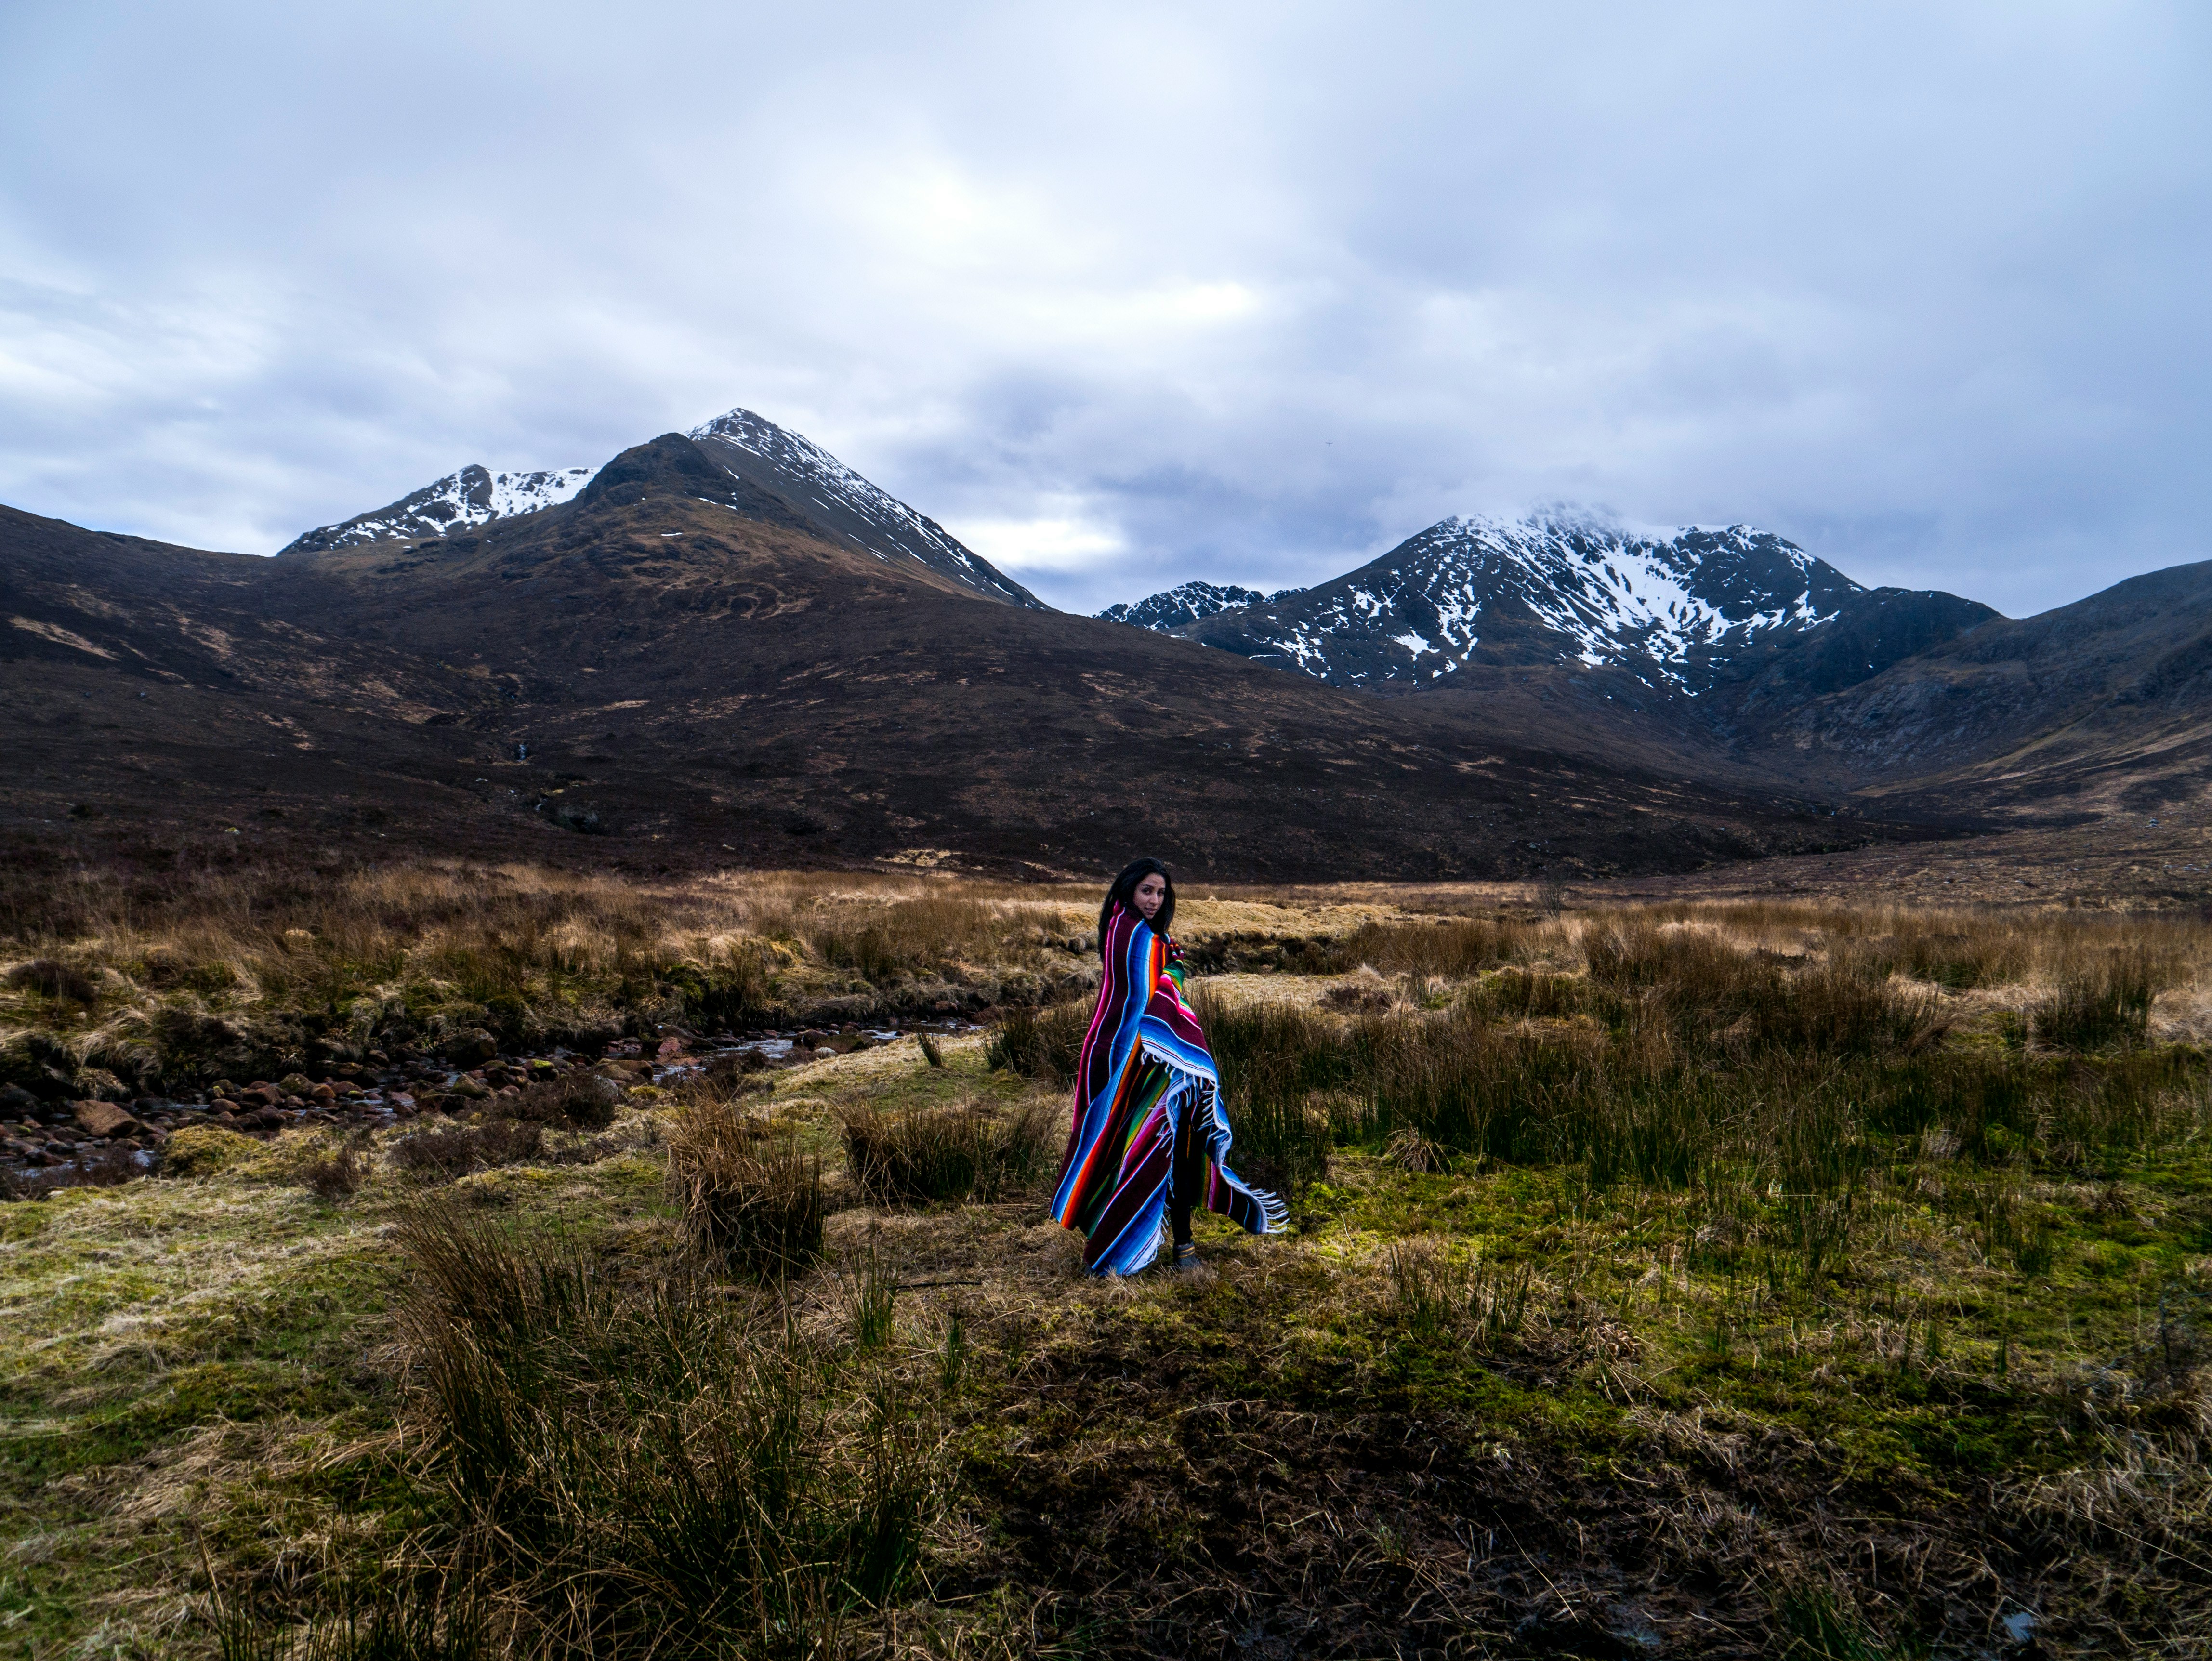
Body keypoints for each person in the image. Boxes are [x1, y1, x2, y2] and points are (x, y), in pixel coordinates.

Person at [1050, 857, 1285, 1276]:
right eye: (1147, 891)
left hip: (1157, 1058)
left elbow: (1161, 989)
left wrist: (1171, 970)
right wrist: (1174, 968)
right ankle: (1127, 1244)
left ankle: (1181, 1245)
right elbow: (1139, 994)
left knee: (1173, 1141)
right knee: (1127, 1146)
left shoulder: (1155, 938)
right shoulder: (1126, 934)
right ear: (1127, 890)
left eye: (1161, 892)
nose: (1155, 900)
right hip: (1120, 1056)